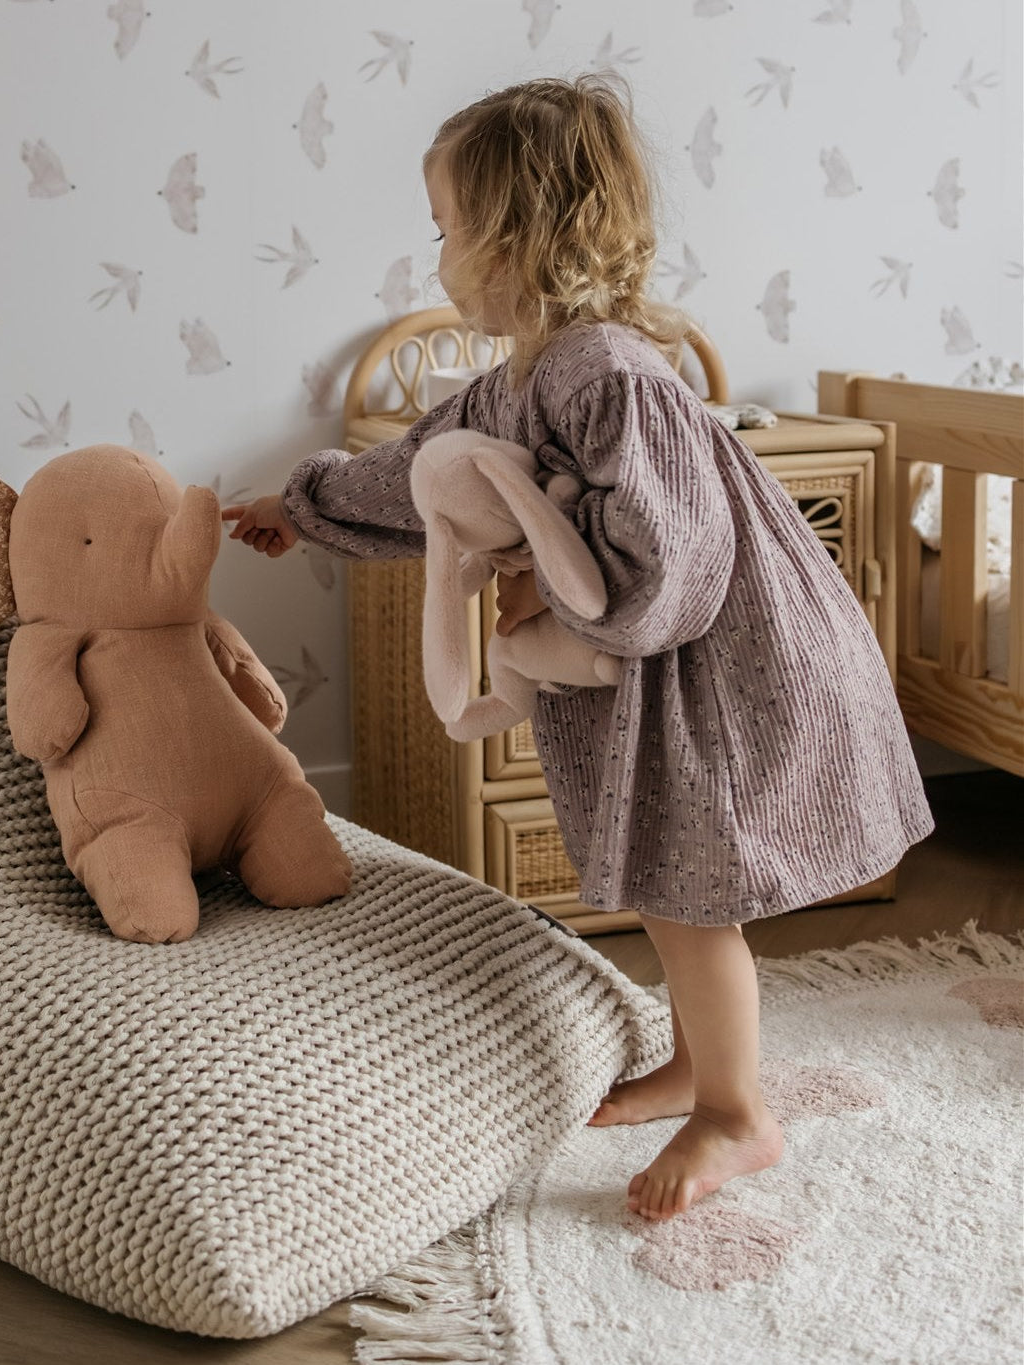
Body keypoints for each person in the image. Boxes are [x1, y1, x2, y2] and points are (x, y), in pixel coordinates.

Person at [221, 74, 934, 1221]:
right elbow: (417, 472)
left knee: (695, 897)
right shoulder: (515, 383)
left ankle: (738, 1117)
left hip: (714, 672)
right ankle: (704, 1066)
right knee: (671, 886)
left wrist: (557, 620)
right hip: (657, 676)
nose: (438, 252)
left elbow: (675, 562)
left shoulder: (607, 374)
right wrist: (300, 505)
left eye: (449, 228)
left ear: (516, 235)